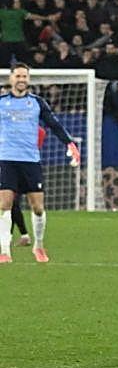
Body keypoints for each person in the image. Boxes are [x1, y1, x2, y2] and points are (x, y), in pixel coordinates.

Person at [0, 63, 81, 264]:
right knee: (4, 205)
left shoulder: (37, 103)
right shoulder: (1, 102)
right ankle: (4, 251)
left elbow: (54, 125)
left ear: (28, 79)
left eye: (24, 76)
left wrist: (69, 143)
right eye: (18, 76)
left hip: (31, 161)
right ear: (11, 79)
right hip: (6, 159)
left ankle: (38, 246)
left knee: (37, 207)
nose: (21, 79)